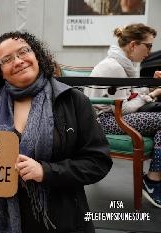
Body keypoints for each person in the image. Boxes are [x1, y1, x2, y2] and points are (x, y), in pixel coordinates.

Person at [0, 31, 113, 233]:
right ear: (1, 71)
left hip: (58, 221)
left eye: (24, 51)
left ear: (37, 56)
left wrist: (46, 171)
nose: (18, 61)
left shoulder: (73, 101)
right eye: (7, 59)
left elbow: (97, 162)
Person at [84, 23, 161, 208]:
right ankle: (152, 180)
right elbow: (124, 108)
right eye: (148, 46)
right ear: (133, 45)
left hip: (111, 116)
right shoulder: (114, 67)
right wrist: (152, 95)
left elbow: (130, 94)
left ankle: (154, 178)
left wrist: (151, 88)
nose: (150, 52)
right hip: (102, 122)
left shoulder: (125, 64)